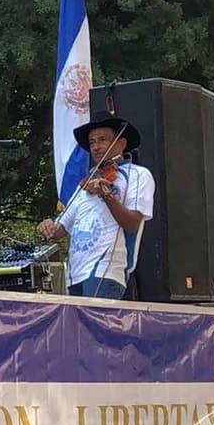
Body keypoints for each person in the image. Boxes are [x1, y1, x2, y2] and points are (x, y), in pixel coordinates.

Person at [37, 110, 156, 299]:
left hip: (106, 269)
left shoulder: (138, 175)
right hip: (75, 274)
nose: (96, 146)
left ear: (121, 143)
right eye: (92, 142)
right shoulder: (86, 183)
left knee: (94, 327)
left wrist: (106, 194)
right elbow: (60, 230)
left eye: (102, 140)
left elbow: (132, 223)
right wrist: (47, 226)